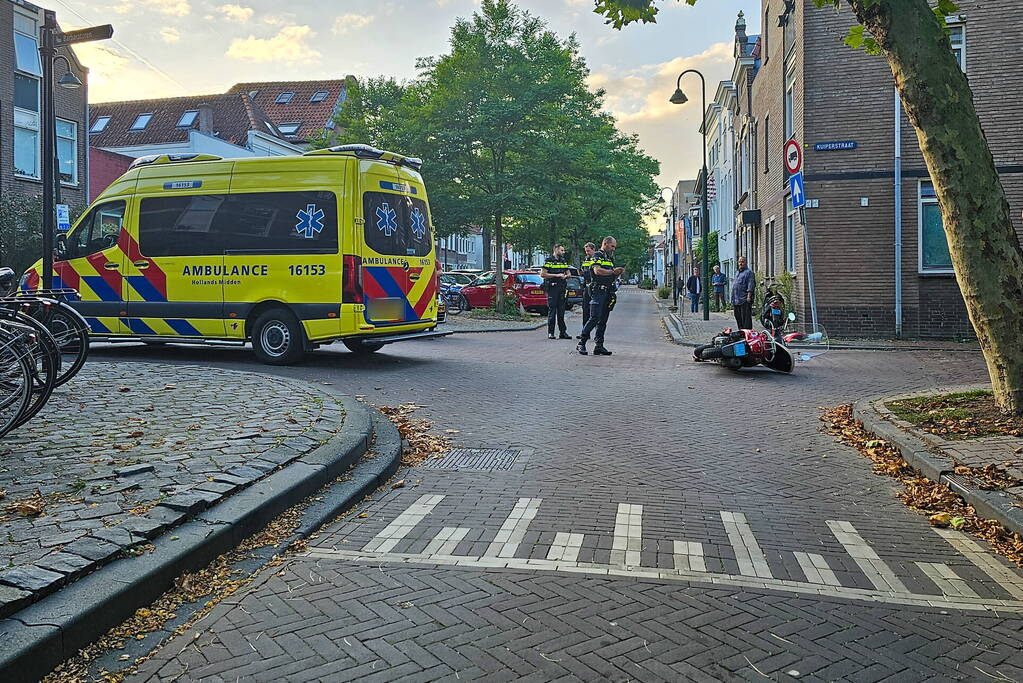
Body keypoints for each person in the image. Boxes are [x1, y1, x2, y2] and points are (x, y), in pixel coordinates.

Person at [577, 236, 624, 356]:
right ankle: (581, 343)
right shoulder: (597, 255)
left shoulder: (610, 258)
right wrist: (613, 272)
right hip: (598, 290)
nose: (613, 249)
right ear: (605, 243)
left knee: (603, 320)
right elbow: (597, 271)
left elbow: (611, 275)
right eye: (612, 246)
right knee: (594, 317)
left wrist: (617, 274)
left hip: (608, 291)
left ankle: (599, 345)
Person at [541, 244, 572, 339]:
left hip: (562, 288)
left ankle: (563, 332)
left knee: (561, 311)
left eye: (563, 250)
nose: (563, 252)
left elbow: (569, 273)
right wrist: (556, 275)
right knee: (552, 310)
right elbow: (543, 274)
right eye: (562, 250)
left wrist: (565, 276)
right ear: (556, 249)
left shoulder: (563, 261)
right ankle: (551, 332)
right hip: (552, 287)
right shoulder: (549, 260)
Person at [731, 256, 755, 329]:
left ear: (746, 262)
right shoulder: (737, 272)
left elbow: (750, 285)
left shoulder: (749, 273)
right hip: (736, 300)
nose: (740, 263)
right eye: (739, 262)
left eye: (742, 261)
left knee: (746, 319)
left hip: (744, 299)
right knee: (738, 318)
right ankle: (741, 332)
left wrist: (749, 296)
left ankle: (747, 334)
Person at [580, 242, 596, 328]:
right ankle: (584, 331)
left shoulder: (597, 259)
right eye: (586, 251)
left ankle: (597, 333)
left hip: (594, 287)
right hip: (586, 287)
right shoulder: (586, 259)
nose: (587, 253)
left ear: (593, 250)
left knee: (596, 310)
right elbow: (584, 270)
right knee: (585, 308)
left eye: (588, 251)